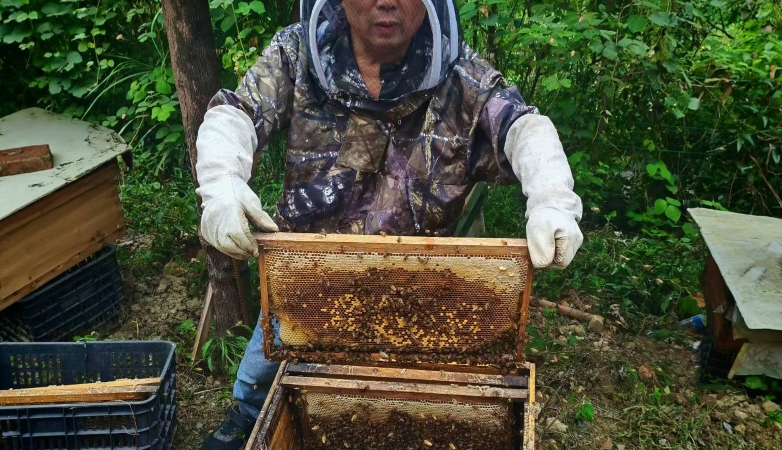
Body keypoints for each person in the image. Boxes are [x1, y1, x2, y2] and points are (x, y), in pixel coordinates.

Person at [194, 0, 583, 447]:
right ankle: (244, 415)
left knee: (404, 411)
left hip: (416, 288)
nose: (387, 1)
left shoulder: (462, 77)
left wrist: (551, 195)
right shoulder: (299, 52)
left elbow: (521, 126)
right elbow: (237, 111)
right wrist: (221, 182)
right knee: (265, 368)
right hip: (309, 277)